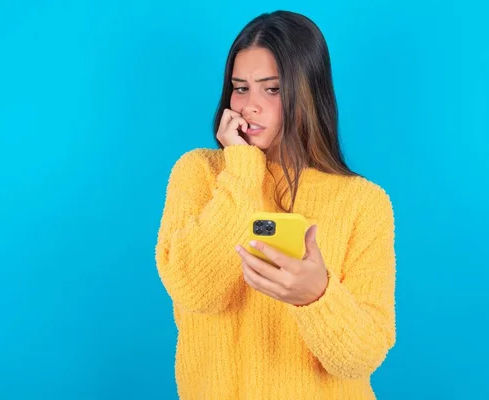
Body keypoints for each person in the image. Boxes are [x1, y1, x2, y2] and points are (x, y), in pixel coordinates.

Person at [155, 10, 396, 400]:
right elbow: (197, 292)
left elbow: (362, 357)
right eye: (240, 87)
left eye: (273, 89)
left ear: (308, 92)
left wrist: (317, 295)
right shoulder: (198, 173)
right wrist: (243, 168)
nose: (251, 105)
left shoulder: (364, 202)